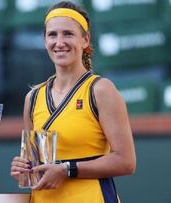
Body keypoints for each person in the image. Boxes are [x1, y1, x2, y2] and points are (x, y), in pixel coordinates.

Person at [10, 1, 136, 202]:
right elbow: (33, 167)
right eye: (52, 35)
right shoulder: (33, 98)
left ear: (85, 40)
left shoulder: (100, 90)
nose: (59, 42)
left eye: (68, 34)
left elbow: (126, 161)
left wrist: (67, 169)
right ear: (45, 41)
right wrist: (23, 169)